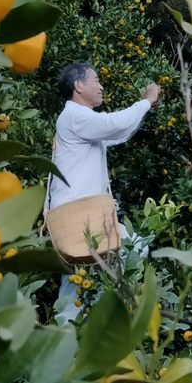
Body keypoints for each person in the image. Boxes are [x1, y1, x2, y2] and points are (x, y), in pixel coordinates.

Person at [45, 62, 159, 319]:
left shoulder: (81, 121)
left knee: (76, 280)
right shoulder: (75, 116)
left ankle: (69, 332)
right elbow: (113, 123)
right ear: (78, 85)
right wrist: (145, 102)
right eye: (96, 80)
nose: (101, 86)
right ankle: (116, 315)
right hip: (81, 216)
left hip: (82, 216)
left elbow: (120, 133)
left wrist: (145, 108)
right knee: (132, 247)